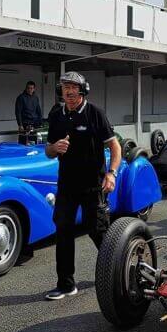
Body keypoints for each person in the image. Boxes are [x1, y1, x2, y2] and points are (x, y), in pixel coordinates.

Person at [44, 72, 120, 300]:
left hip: (93, 185)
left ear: (83, 89)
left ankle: (120, 271)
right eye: (65, 87)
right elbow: (48, 151)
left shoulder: (95, 113)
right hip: (66, 184)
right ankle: (66, 285)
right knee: (63, 229)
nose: (68, 91)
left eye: (73, 87)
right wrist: (54, 148)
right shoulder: (57, 114)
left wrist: (112, 173)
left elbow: (115, 147)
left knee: (97, 230)